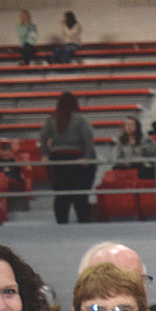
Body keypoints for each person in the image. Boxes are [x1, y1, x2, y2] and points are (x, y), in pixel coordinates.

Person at [39, 92, 96, 224]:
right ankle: (84, 224)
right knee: (80, 197)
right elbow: (89, 139)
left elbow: (43, 138)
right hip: (78, 160)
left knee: (61, 196)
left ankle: (61, 225)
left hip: (58, 161)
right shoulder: (82, 119)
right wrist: (87, 158)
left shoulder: (52, 119)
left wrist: (45, 155)